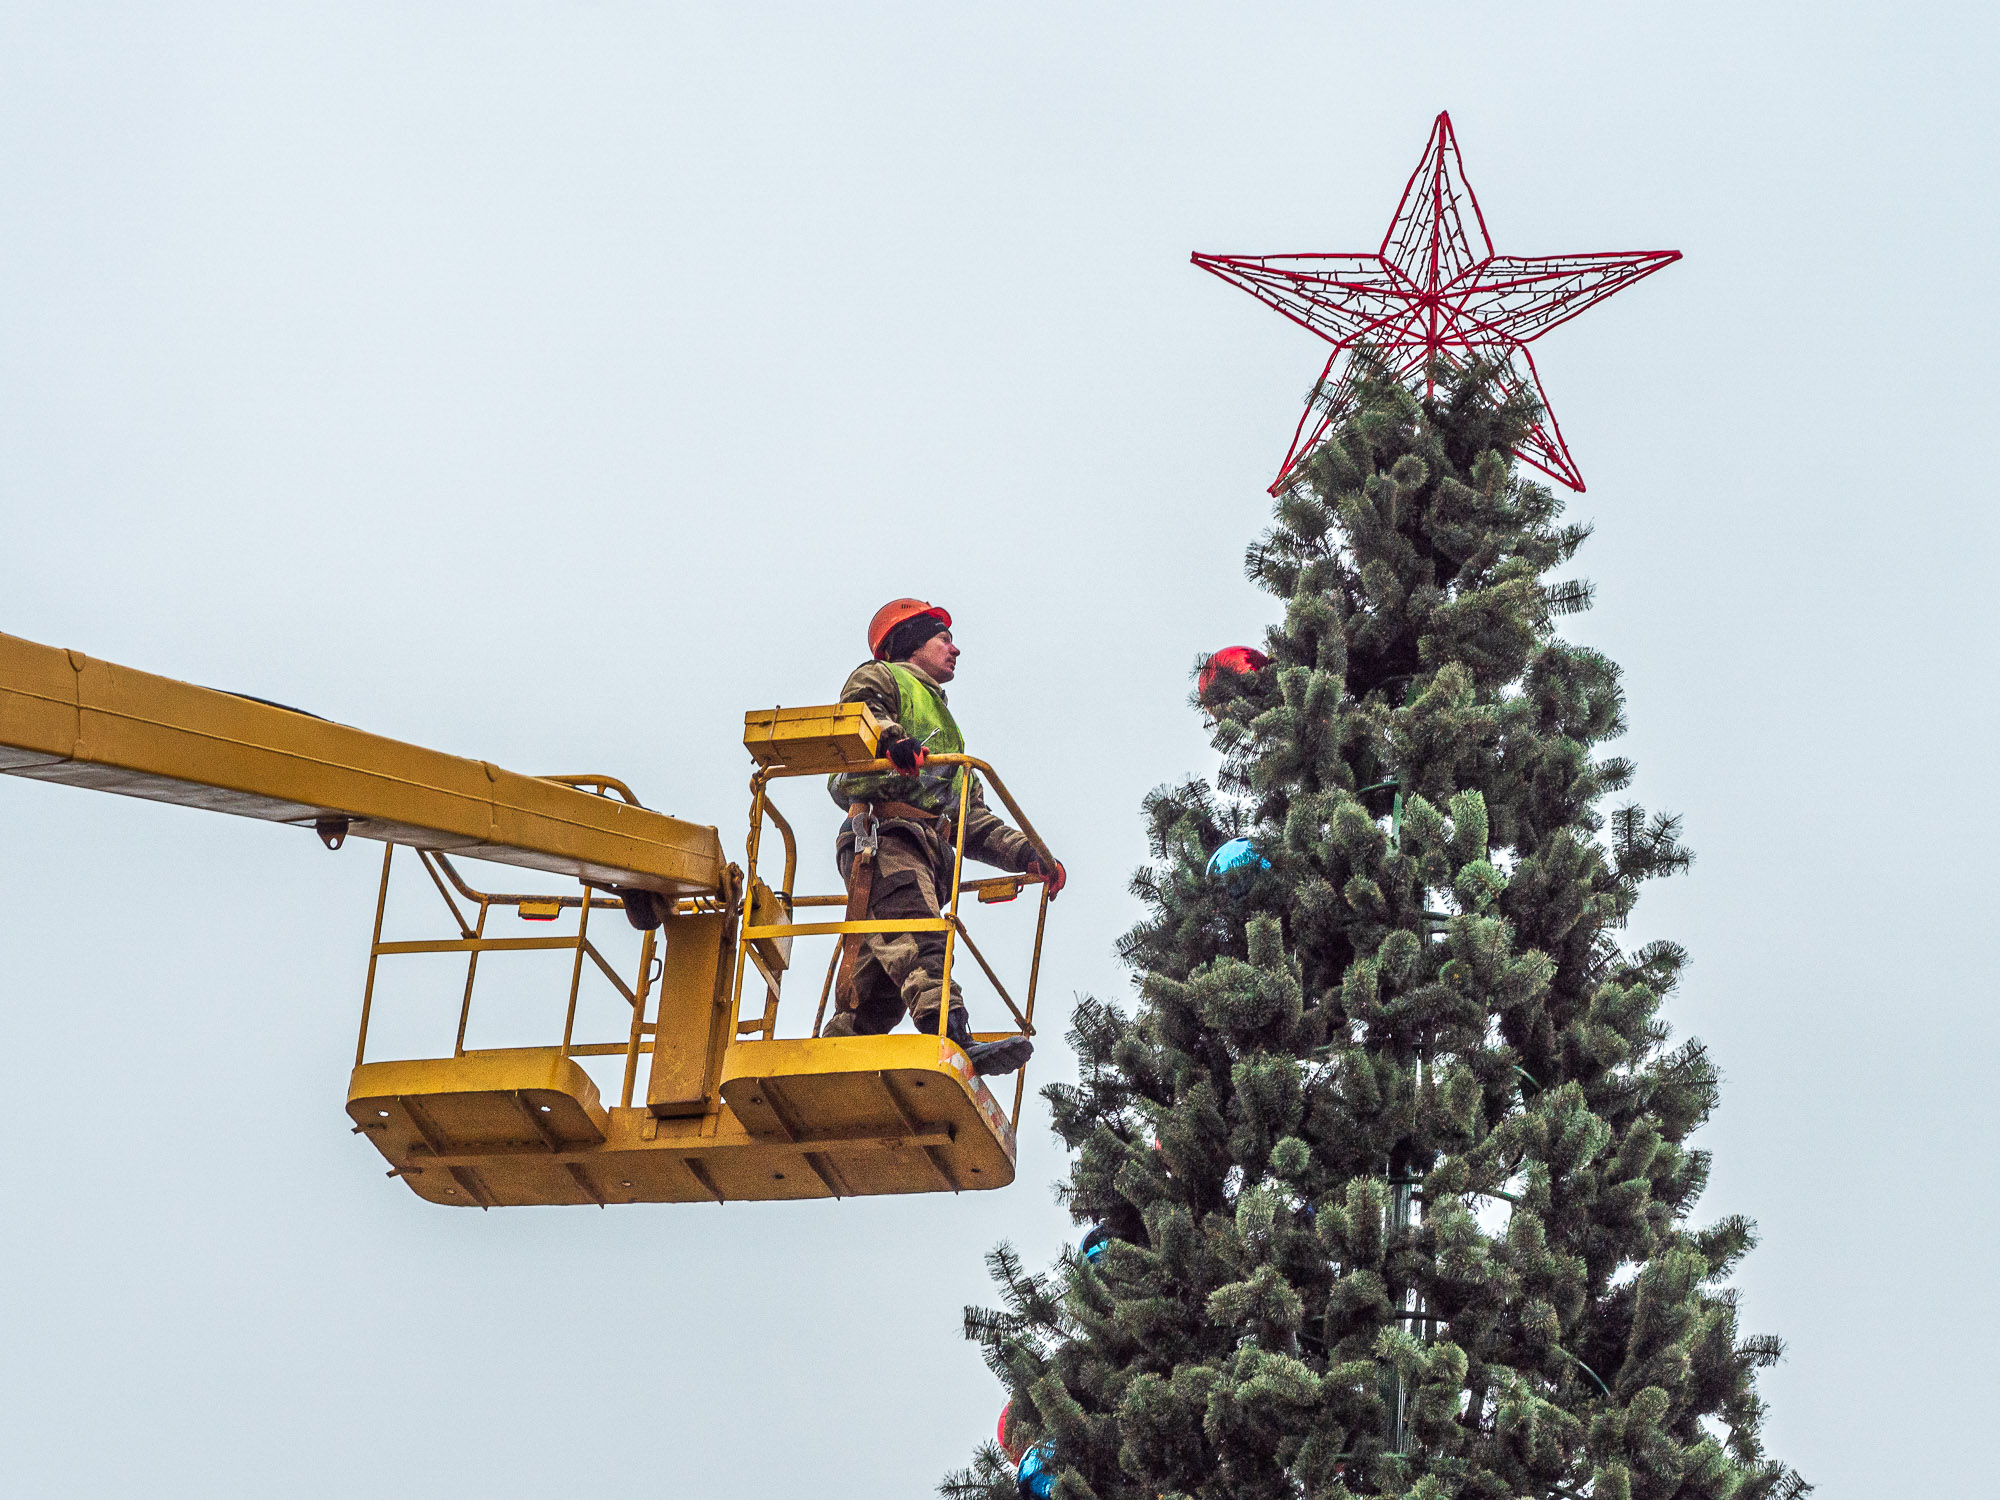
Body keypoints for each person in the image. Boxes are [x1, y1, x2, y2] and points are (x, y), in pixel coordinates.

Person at [822, 598, 1063, 1075]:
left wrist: (1028, 854)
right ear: (911, 642)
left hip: (924, 848)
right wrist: (893, 741)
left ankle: (832, 1060)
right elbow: (860, 713)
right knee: (924, 942)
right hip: (883, 836)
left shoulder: (946, 733)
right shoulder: (881, 677)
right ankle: (955, 1039)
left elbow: (970, 818)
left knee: (879, 993)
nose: (956, 649)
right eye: (944, 639)